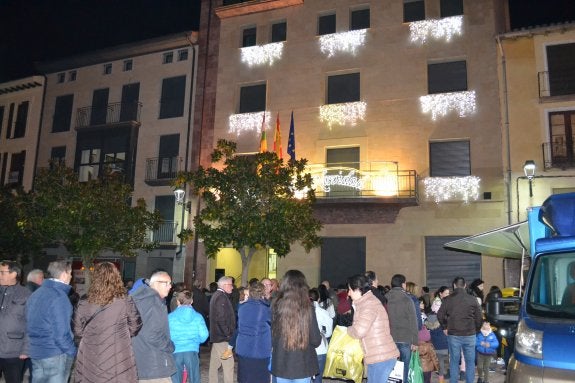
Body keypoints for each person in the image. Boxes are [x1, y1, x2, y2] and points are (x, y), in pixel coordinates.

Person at [73, 262, 142, 383]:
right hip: (118, 352)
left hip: (90, 353)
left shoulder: (84, 301)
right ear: (116, 277)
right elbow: (136, 325)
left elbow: (77, 330)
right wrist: (122, 334)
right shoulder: (124, 300)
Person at [26, 260, 76, 383]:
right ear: (64, 274)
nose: (71, 277)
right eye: (70, 273)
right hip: (55, 353)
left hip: (36, 351)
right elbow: (61, 334)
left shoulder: (36, 294)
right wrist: (72, 352)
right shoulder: (59, 297)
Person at [271, 270, 322, 383]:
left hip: (281, 362)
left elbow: (272, 338)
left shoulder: (275, 307)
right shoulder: (308, 309)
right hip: (303, 364)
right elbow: (315, 340)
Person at [347, 274, 399, 383]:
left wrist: (348, 330)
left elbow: (359, 331)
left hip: (381, 357)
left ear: (357, 289)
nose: (348, 293)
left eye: (350, 290)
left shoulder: (368, 304)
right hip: (378, 355)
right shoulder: (366, 302)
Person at [131, 270, 176, 383]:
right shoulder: (154, 301)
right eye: (167, 283)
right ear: (155, 283)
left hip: (140, 359)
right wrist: (170, 346)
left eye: (170, 283)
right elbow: (152, 335)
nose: (170, 286)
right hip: (155, 363)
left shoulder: (140, 298)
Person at [437, 277, 483, 383]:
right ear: (465, 285)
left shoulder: (448, 299)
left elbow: (440, 315)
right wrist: (476, 330)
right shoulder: (473, 299)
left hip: (453, 335)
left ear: (454, 286)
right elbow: (479, 317)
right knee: (470, 362)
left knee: (453, 361)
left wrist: (445, 327)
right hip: (470, 334)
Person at [0, 260, 31, 383]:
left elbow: (31, 324)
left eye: (2, 272)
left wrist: (26, 349)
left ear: (13, 274)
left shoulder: (26, 294)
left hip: (14, 351)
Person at [169, 290, 209, 383]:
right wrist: (196, 341)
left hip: (176, 351)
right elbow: (204, 335)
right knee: (194, 378)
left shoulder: (170, 317)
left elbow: (166, 335)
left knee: (176, 379)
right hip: (191, 351)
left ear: (178, 301)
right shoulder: (198, 316)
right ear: (191, 301)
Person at [385, 274, 419, 383]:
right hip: (405, 338)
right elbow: (413, 321)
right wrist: (415, 342)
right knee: (405, 366)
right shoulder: (407, 299)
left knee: (390, 367)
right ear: (403, 284)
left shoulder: (385, 298)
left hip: (390, 338)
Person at [235, 282, 272, 383]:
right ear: (262, 293)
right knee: (260, 378)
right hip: (259, 350)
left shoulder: (242, 308)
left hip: (243, 349)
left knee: (245, 378)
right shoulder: (265, 309)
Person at [208, 276, 236, 383]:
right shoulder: (221, 297)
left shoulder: (217, 295)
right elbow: (221, 318)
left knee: (214, 364)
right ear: (225, 285)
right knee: (229, 365)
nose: (232, 287)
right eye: (231, 285)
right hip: (222, 337)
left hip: (217, 336)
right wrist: (228, 335)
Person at [309, 288, 333, 383]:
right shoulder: (323, 313)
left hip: (305, 350)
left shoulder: (301, 311)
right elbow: (328, 332)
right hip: (320, 349)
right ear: (319, 299)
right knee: (318, 379)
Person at [425, 312, 450, 383]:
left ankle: (441, 376)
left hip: (435, 348)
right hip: (445, 346)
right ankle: (444, 375)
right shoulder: (442, 324)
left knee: (439, 362)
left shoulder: (427, 326)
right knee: (444, 361)